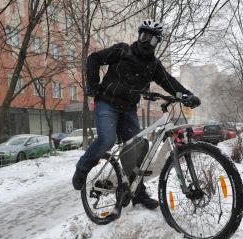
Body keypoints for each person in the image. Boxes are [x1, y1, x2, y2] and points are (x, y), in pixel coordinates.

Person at [72, 19, 200, 210]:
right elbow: (94, 59)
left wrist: (187, 95)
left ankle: (138, 194)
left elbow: (169, 82)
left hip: (128, 110)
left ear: (157, 43)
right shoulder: (122, 51)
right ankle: (82, 168)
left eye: (153, 39)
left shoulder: (154, 66)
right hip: (107, 103)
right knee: (107, 140)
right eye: (144, 36)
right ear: (139, 35)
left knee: (136, 149)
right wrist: (92, 84)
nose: (147, 42)